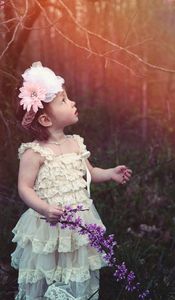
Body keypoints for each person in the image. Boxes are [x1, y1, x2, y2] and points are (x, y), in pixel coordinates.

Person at [11, 62, 132, 300]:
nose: (73, 103)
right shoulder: (33, 152)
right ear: (45, 119)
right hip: (48, 224)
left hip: (79, 223)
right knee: (48, 269)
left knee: (76, 270)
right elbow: (24, 187)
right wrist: (44, 208)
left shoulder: (76, 143)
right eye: (64, 100)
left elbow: (90, 172)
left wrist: (109, 173)